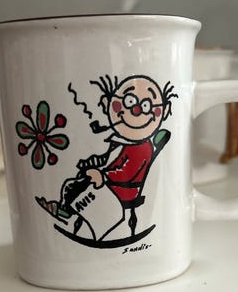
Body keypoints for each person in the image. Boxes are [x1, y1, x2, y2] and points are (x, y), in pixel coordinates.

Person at [37, 74, 177, 241]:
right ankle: (66, 211)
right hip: (112, 184)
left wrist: (103, 176)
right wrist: (92, 165)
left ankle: (67, 212)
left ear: (164, 111)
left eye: (146, 106)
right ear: (108, 104)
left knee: (77, 187)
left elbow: (126, 171)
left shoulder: (142, 147)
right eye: (129, 102)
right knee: (75, 183)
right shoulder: (121, 143)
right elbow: (109, 161)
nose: (136, 110)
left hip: (124, 189)